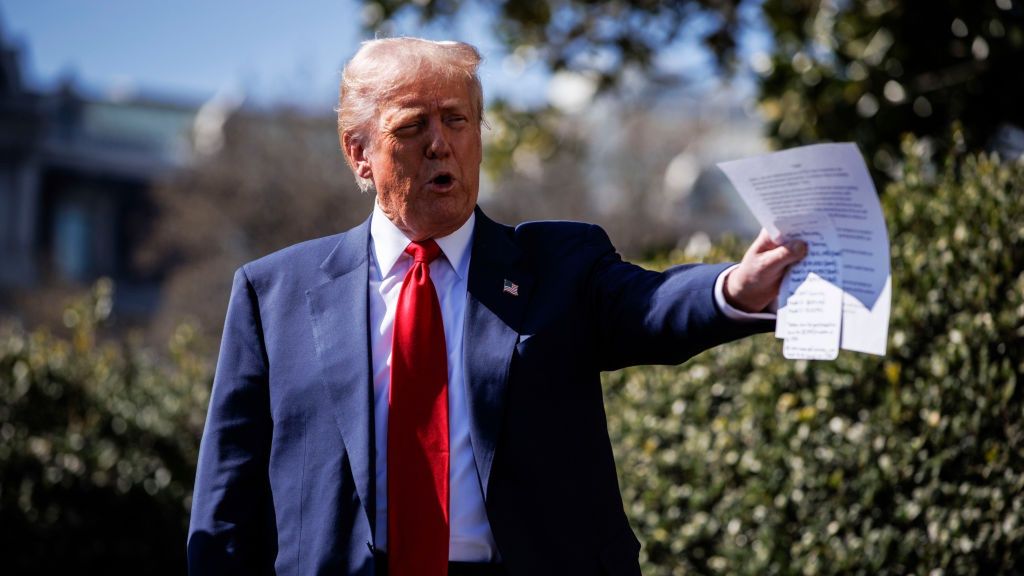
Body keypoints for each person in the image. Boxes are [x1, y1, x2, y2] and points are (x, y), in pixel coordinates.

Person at [187, 37, 806, 576]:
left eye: (457, 121)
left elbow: (650, 304)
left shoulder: (560, 266)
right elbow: (226, 503)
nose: (440, 144)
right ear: (359, 153)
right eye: (412, 126)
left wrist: (736, 287)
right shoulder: (274, 293)